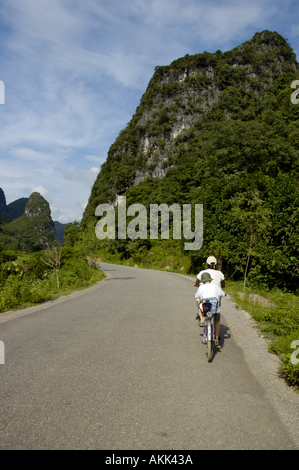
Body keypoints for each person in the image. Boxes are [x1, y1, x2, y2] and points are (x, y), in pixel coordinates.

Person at [195, 272, 227, 349]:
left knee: (200, 304)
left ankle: (202, 319)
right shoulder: (215, 286)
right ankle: (216, 339)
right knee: (217, 321)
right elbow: (222, 293)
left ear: (203, 281)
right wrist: (224, 294)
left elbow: (197, 296)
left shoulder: (201, 287)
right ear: (210, 279)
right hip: (214, 309)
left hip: (205, 309)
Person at [194, 256, 225, 323]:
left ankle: (201, 319)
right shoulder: (219, 273)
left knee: (198, 299)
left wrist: (196, 285)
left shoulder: (202, 272)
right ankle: (216, 319)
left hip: (204, 297)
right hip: (215, 297)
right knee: (217, 304)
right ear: (215, 265)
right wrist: (222, 286)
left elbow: (197, 282)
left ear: (207, 264)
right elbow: (223, 284)